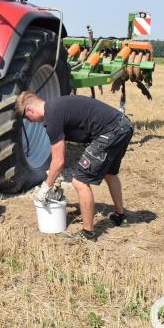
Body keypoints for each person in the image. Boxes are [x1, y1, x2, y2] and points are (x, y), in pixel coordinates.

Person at [16, 91, 133, 242]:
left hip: (112, 131)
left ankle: (88, 233)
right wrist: (54, 176)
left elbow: (58, 161)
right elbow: (60, 153)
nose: (30, 122)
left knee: (79, 181)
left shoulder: (51, 117)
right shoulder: (55, 108)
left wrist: (45, 187)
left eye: (27, 118)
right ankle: (120, 216)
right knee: (110, 174)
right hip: (124, 125)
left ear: (30, 110)